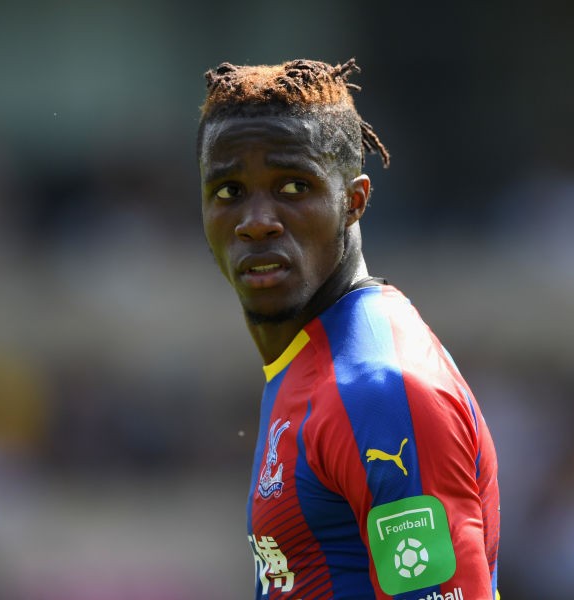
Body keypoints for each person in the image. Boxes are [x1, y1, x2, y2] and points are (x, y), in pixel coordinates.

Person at [197, 58, 501, 600]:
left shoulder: (378, 389)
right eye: (228, 191)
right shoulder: (309, 363)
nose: (255, 220)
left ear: (353, 202)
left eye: (292, 186)